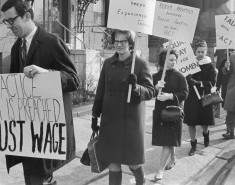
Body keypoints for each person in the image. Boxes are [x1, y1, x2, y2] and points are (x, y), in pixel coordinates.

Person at [1, 0, 80, 185]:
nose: (9, 26)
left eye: (11, 20)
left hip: (47, 129)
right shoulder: (16, 48)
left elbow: (74, 80)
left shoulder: (52, 42)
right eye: (6, 22)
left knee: (39, 177)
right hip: (27, 127)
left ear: (27, 15)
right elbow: (15, 85)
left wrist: (46, 73)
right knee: (34, 176)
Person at [91, 29, 154, 185]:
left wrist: (136, 88)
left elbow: (151, 91)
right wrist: (95, 115)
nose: (119, 45)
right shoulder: (108, 63)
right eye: (116, 41)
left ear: (130, 43)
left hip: (130, 120)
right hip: (110, 119)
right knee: (113, 161)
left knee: (132, 161)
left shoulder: (140, 64)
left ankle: (141, 179)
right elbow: (101, 91)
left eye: (123, 42)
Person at [152, 49, 188, 180]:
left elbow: (185, 93)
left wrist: (170, 96)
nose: (174, 62)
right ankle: (173, 158)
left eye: (175, 60)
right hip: (160, 112)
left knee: (167, 142)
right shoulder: (157, 76)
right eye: (170, 60)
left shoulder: (179, 76)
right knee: (168, 139)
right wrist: (155, 88)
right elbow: (149, 92)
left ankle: (160, 170)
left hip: (173, 113)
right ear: (163, 61)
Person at [184, 40, 217, 156]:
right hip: (191, 97)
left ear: (206, 51)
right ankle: (193, 144)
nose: (201, 54)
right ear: (194, 51)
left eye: (203, 52)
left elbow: (212, 82)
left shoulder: (209, 65)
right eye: (198, 51)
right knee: (191, 122)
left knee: (204, 121)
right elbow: (182, 77)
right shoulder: (188, 64)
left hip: (204, 96)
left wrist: (198, 83)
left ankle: (206, 134)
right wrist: (186, 80)